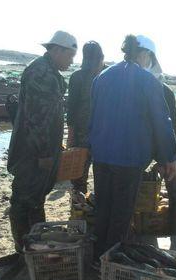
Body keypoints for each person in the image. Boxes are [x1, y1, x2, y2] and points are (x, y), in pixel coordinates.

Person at [88, 34, 176, 266]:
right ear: (145, 54)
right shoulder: (148, 81)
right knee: (121, 211)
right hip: (129, 157)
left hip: (101, 155)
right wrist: (167, 157)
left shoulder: (102, 77)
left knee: (104, 206)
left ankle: (97, 254)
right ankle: (109, 261)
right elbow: (161, 121)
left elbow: (92, 116)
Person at [7, 31, 77, 252]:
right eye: (70, 55)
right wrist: (45, 153)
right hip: (33, 152)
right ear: (57, 50)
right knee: (25, 198)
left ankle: (34, 243)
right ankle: (25, 247)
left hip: (38, 149)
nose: (72, 61)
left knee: (34, 197)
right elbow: (37, 120)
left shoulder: (47, 71)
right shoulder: (42, 74)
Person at [134, 35, 176, 234]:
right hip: (138, 148)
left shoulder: (164, 91)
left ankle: (174, 231)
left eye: (142, 55)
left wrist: (167, 157)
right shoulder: (129, 86)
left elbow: (169, 129)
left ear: (149, 57)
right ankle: (139, 232)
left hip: (163, 147)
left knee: (174, 189)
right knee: (136, 190)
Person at [67, 41, 105, 195]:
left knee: (78, 177)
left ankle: (80, 207)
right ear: (102, 56)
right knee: (102, 175)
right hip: (104, 134)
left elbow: (72, 109)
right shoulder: (108, 75)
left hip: (82, 134)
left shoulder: (77, 77)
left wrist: (70, 137)